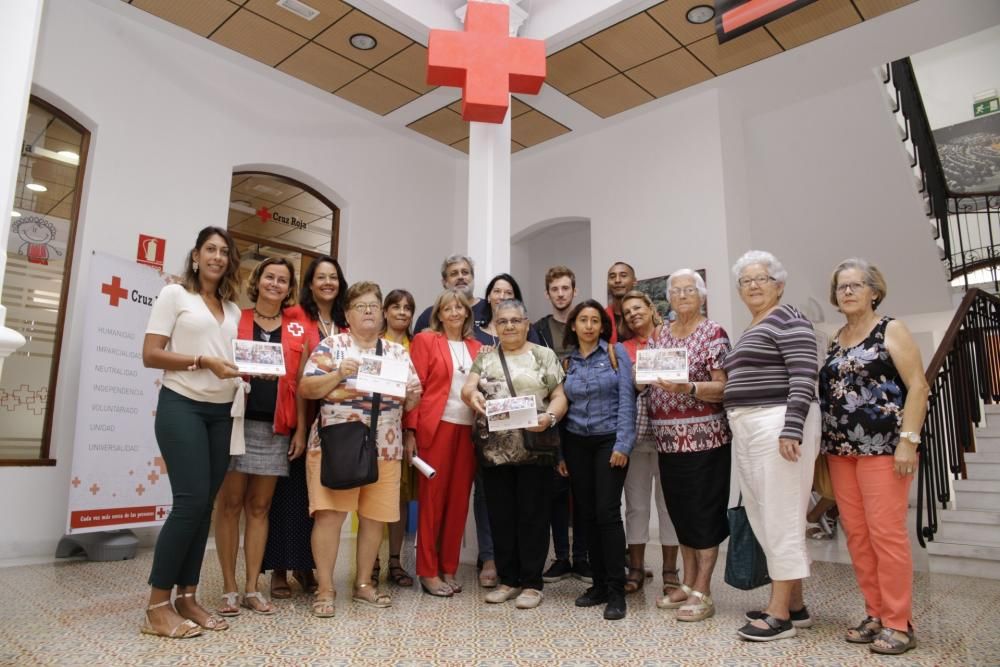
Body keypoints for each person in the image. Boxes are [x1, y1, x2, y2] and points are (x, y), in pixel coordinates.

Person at [820, 258, 928, 656]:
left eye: (855, 285)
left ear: (874, 291)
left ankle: (899, 623)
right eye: (841, 287)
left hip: (884, 449)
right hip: (840, 450)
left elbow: (918, 386)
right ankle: (875, 614)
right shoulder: (837, 336)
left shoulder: (891, 329)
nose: (846, 292)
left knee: (887, 535)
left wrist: (908, 440)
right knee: (859, 536)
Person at [140, 226, 242, 638]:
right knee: (189, 502)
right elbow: (150, 354)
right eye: (210, 250)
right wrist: (202, 360)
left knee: (205, 506)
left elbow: (232, 357)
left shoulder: (233, 309)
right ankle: (156, 606)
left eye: (224, 252)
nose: (217, 257)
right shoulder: (174, 295)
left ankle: (187, 597)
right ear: (196, 256)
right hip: (181, 404)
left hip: (222, 412)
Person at [300, 281, 422, 617]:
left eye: (373, 306)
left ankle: (364, 584)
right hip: (337, 444)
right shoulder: (332, 346)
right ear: (348, 314)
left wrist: (413, 392)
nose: (367, 311)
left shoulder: (397, 353)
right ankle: (325, 588)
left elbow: (411, 400)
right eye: (360, 306)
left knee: (374, 519)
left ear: (382, 314)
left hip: (385, 446)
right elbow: (307, 387)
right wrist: (339, 373)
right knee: (329, 516)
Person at [724, 251, 820, 642]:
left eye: (761, 278)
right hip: (748, 425)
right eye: (746, 281)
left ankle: (778, 614)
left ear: (779, 285)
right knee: (762, 514)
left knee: (781, 515)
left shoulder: (789, 317)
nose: (753, 286)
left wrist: (792, 427)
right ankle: (795, 606)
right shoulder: (754, 325)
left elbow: (803, 372)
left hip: (777, 422)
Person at [462, 299, 567, 610]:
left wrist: (548, 418)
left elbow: (559, 396)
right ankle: (508, 580)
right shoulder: (486, 358)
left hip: (534, 448)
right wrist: (473, 394)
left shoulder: (543, 355)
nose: (509, 326)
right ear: (496, 325)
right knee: (501, 516)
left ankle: (532, 583)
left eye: (515, 321)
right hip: (495, 452)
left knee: (534, 516)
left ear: (526, 323)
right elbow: (468, 388)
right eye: (503, 321)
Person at [215, 257, 303, 616]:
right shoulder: (237, 318)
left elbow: (299, 383)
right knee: (230, 504)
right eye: (270, 277)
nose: (276, 284)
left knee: (260, 507)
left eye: (283, 280)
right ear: (258, 280)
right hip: (236, 420)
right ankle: (229, 587)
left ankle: (252, 587)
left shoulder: (297, 329)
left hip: (276, 427)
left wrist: (299, 427)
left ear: (288, 288)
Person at [643, 274, 731, 622]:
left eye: (689, 290)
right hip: (667, 441)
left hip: (705, 440)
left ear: (702, 296)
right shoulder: (660, 334)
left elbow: (722, 387)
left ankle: (704, 590)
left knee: (703, 514)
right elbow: (649, 374)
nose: (681, 295)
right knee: (680, 513)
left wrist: (689, 388)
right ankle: (688, 581)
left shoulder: (714, 333)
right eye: (675, 291)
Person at [263, 255, 348, 600]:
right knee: (287, 494)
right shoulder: (294, 317)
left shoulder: (344, 324)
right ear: (310, 284)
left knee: (318, 500)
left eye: (333, 277)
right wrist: (299, 427)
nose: (327, 283)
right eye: (321, 277)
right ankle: (279, 570)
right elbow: (294, 372)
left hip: (333, 422)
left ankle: (307, 565)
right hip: (298, 414)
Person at [561, 300, 635, 620]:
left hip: (609, 441)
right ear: (574, 326)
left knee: (607, 512)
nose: (589, 325)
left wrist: (623, 444)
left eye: (595, 320)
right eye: (583, 320)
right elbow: (562, 408)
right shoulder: (568, 363)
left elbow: (627, 402)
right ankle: (599, 585)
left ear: (602, 326)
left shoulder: (616, 355)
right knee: (586, 514)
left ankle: (617, 590)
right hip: (576, 443)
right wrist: (562, 453)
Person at [405, 289, 483, 596]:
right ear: (438, 314)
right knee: (432, 501)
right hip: (435, 430)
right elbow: (415, 388)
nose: (453, 312)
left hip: (468, 432)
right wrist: (410, 430)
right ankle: (427, 571)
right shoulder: (425, 341)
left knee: (458, 502)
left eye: (459, 307)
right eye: (447, 308)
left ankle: (448, 566)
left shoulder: (478, 348)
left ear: (466, 313)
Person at [618, 290, 680, 596]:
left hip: (671, 434)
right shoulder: (622, 348)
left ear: (650, 308)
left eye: (637, 308)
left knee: (669, 506)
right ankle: (636, 568)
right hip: (637, 436)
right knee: (636, 506)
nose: (633, 314)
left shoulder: (671, 336)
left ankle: (671, 571)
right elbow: (630, 386)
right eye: (627, 312)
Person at [533, 266, 591, 584]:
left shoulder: (586, 322)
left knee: (581, 489)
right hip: (550, 417)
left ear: (574, 291)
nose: (560, 294)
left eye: (565, 288)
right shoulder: (538, 328)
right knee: (555, 490)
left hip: (584, 417)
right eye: (554, 289)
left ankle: (581, 557)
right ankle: (561, 557)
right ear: (547, 293)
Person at [378, 289, 417, 588]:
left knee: (399, 497)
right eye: (396, 307)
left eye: (407, 308)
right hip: (370, 428)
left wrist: (411, 431)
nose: (402, 312)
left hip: (403, 430)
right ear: (385, 310)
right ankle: (371, 561)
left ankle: (394, 560)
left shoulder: (415, 346)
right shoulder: (373, 343)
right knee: (371, 495)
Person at [413, 255, 490, 333]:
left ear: (473, 277)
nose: (460, 277)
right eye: (454, 274)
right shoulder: (430, 315)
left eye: (465, 272)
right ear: (444, 282)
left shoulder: (489, 309)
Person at [474, 273, 542, 347]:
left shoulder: (526, 330)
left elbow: (537, 356)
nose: (502, 297)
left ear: (515, 300)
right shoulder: (475, 333)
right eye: (497, 291)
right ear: (489, 297)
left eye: (508, 293)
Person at [606, 261, 637, 343]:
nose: (617, 280)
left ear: (634, 281)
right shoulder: (602, 317)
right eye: (612, 277)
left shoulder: (647, 316)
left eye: (623, 276)